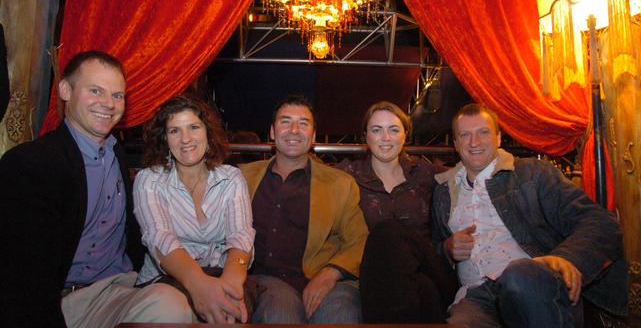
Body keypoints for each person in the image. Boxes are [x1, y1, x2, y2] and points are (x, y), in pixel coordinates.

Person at [0, 51, 193, 328]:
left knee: (171, 305)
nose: (109, 103)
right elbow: (23, 273)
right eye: (95, 91)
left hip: (118, 289)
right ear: (65, 90)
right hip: (63, 302)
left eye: (118, 95)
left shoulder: (117, 155)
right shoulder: (31, 163)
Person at [432, 103, 627, 328]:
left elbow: (601, 222)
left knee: (519, 273)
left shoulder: (532, 173)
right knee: (461, 321)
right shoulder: (443, 192)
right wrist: (446, 248)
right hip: (476, 296)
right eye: (465, 135)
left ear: (498, 138)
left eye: (483, 132)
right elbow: (434, 254)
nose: (474, 142)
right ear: (456, 144)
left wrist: (567, 257)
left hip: (530, 284)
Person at [239, 94, 368, 323]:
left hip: (326, 278)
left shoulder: (340, 184)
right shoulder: (242, 177)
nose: (294, 130)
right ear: (272, 131)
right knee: (281, 314)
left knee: (340, 315)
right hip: (264, 281)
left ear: (314, 135)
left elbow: (359, 241)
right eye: (285, 121)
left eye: (304, 123)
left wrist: (329, 274)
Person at [133, 95, 255, 324]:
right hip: (166, 280)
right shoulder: (149, 180)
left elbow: (241, 235)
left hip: (222, 273)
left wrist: (230, 285)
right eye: (174, 131)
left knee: (232, 311)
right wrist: (200, 287)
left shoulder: (231, 178)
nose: (185, 139)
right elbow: (161, 239)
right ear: (165, 139)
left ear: (208, 134)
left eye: (194, 127)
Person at [337, 101, 458, 323]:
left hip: (428, 265)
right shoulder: (347, 175)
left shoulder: (426, 173)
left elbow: (471, 170)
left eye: (393, 129)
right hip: (375, 274)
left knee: (389, 232)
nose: (386, 137)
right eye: (377, 130)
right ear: (365, 136)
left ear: (405, 136)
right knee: (423, 289)